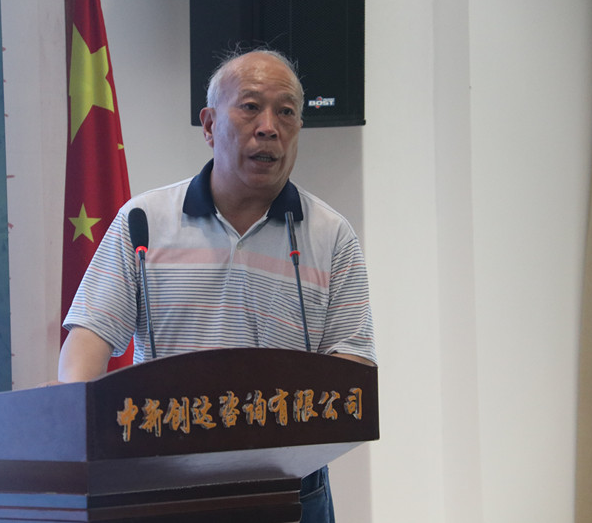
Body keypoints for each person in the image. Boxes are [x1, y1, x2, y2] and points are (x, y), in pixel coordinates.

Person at [58, 49, 376, 523]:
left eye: (286, 112)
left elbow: (352, 365)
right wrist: (77, 412)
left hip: (290, 486)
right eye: (250, 107)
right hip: (167, 479)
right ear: (209, 125)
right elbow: (88, 340)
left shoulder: (330, 235)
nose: (269, 127)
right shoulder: (145, 222)